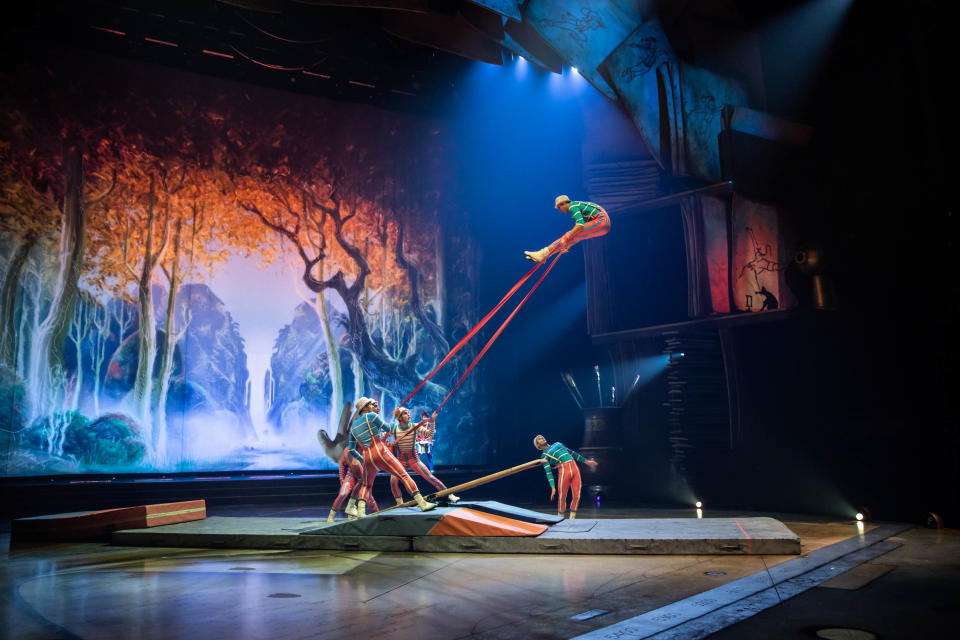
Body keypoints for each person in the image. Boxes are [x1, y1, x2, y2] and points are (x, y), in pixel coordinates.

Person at [348, 396, 436, 517]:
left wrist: (362, 459)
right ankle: (422, 504)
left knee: (366, 485)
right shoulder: (371, 416)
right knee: (404, 475)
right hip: (380, 451)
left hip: (367, 457)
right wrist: (396, 419)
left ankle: (360, 512)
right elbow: (390, 428)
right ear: (364, 408)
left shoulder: (353, 427)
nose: (371, 406)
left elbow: (351, 450)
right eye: (369, 404)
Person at [388, 407, 459, 505]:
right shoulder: (394, 429)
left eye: (409, 413)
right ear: (399, 418)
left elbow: (429, 433)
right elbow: (383, 436)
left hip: (414, 459)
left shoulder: (415, 426)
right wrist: (387, 442)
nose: (409, 415)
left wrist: (433, 421)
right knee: (392, 481)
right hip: (400, 461)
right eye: (405, 413)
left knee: (429, 477)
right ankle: (399, 503)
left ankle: (449, 494)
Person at [524, 195, 611, 263]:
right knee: (571, 236)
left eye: (559, 207)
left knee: (568, 234)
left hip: (601, 221)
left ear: (563, 203)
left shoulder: (573, 206)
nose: (560, 210)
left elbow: (580, 225)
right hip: (603, 226)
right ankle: (545, 256)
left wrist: (567, 237)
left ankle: (542, 254)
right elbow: (579, 235)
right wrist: (568, 244)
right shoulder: (578, 207)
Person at [533, 434, 598, 519]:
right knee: (562, 496)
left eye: (542, 437)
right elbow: (548, 472)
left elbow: (573, 453)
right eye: (540, 439)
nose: (542, 438)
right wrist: (552, 487)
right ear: (538, 445)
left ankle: (572, 516)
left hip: (574, 467)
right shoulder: (544, 456)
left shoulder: (557, 444)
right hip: (564, 470)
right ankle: (560, 516)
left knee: (577, 494)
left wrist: (587, 462)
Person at [327, 449, 379, 522]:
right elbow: (342, 463)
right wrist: (341, 478)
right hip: (351, 477)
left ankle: (377, 514)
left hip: (362, 479)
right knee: (343, 493)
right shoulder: (347, 450)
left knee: (369, 498)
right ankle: (331, 516)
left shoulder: (367, 450)